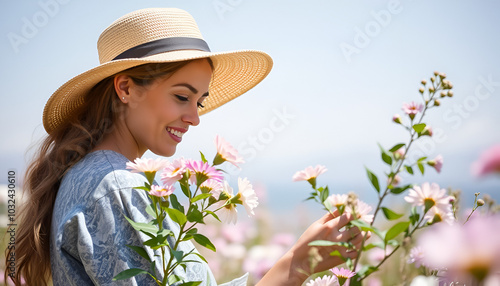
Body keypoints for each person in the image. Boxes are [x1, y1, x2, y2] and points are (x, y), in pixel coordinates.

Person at [5, 8, 365, 286]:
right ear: (126, 89)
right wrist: (295, 265)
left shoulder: (89, 176)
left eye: (200, 102)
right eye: (181, 97)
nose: (194, 118)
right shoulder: (116, 185)